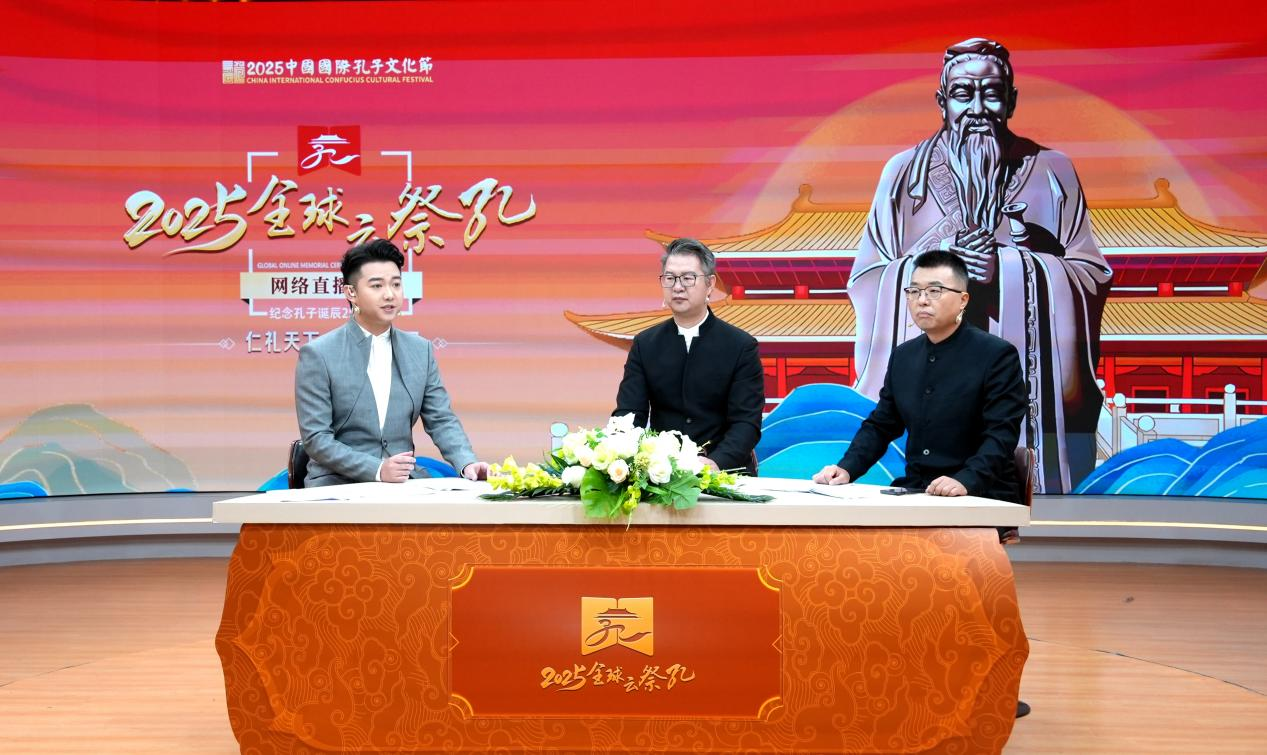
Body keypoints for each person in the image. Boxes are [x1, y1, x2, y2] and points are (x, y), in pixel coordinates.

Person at [848, 37, 1112, 494]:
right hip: (931, 368)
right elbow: (869, 277)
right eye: (962, 94)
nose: (977, 109)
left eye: (991, 93)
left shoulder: (1052, 170)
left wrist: (1009, 268)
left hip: (1008, 363)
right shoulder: (902, 173)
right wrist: (941, 262)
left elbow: (1089, 273)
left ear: (1011, 100)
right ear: (942, 102)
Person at [814, 250, 1027, 502]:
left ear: (963, 300)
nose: (922, 300)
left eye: (934, 291)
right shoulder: (904, 356)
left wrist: (966, 480)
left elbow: (1001, 433)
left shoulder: (996, 355)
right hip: (918, 490)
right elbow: (881, 425)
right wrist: (847, 468)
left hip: (982, 493)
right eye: (914, 291)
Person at [294, 239, 488, 486]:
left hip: (403, 484)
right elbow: (316, 438)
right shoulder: (319, 354)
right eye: (377, 285)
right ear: (351, 293)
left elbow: (441, 420)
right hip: (337, 484)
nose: (389, 294)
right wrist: (377, 469)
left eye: (396, 284)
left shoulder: (420, 350)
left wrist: (467, 463)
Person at [613, 238, 765, 474]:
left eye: (687, 278)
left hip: (725, 472)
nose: (677, 287)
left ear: (710, 284)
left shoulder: (740, 345)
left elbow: (746, 422)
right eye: (670, 278)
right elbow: (630, 414)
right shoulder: (646, 344)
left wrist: (716, 462)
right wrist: (621, 454)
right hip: (662, 473)